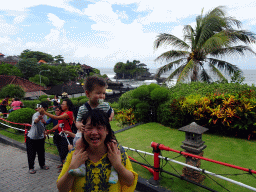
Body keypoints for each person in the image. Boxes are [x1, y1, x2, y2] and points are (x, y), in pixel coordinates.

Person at [57, 109, 138, 192]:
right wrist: (73, 166)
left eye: (99, 128)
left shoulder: (116, 151)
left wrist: (117, 165)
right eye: (89, 128)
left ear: (107, 130)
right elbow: (62, 189)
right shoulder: (75, 153)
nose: (94, 132)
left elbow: (130, 182)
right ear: (83, 131)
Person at [72, 76, 114, 176]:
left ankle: (114, 170)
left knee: (113, 145)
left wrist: (110, 118)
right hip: (88, 134)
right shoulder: (83, 108)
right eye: (98, 93)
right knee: (79, 145)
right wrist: (79, 126)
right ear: (88, 93)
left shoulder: (105, 105)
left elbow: (112, 111)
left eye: (103, 93)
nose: (102, 96)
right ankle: (82, 167)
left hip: (104, 133)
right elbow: (77, 121)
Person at [40, 99, 74, 167]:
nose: (61, 105)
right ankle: (64, 166)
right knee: (62, 152)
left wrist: (44, 112)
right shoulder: (63, 113)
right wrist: (49, 131)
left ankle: (66, 169)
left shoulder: (69, 113)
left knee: (66, 153)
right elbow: (58, 125)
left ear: (67, 106)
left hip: (67, 136)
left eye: (63, 104)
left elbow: (56, 118)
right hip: (62, 136)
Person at [26, 102, 50, 174]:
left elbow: (44, 125)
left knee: (41, 152)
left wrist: (44, 133)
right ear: (40, 108)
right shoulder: (35, 115)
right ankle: (31, 168)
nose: (44, 111)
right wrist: (38, 118)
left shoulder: (45, 115)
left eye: (45, 110)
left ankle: (42, 165)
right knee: (31, 154)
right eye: (43, 109)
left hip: (40, 137)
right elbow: (35, 122)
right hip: (32, 138)